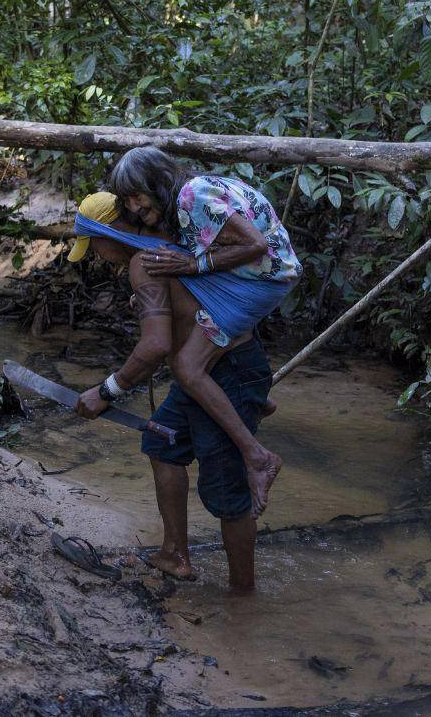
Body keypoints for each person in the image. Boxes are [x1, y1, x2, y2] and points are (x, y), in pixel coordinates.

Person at [67, 191, 273, 592]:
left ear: (111, 232)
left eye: (94, 246)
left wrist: (106, 390)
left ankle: (243, 599)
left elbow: (156, 346)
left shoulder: (145, 262)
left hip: (225, 371)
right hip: (212, 370)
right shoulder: (174, 245)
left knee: (226, 489)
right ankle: (175, 555)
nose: (96, 256)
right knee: (162, 444)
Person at [104, 146, 301, 518]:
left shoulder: (193, 196)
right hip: (249, 275)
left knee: (188, 367)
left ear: (156, 182)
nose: (133, 207)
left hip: (263, 278)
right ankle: (256, 400)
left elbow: (255, 246)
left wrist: (195, 266)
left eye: (137, 196)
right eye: (127, 201)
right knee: (172, 290)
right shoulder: (184, 203)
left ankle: (258, 458)